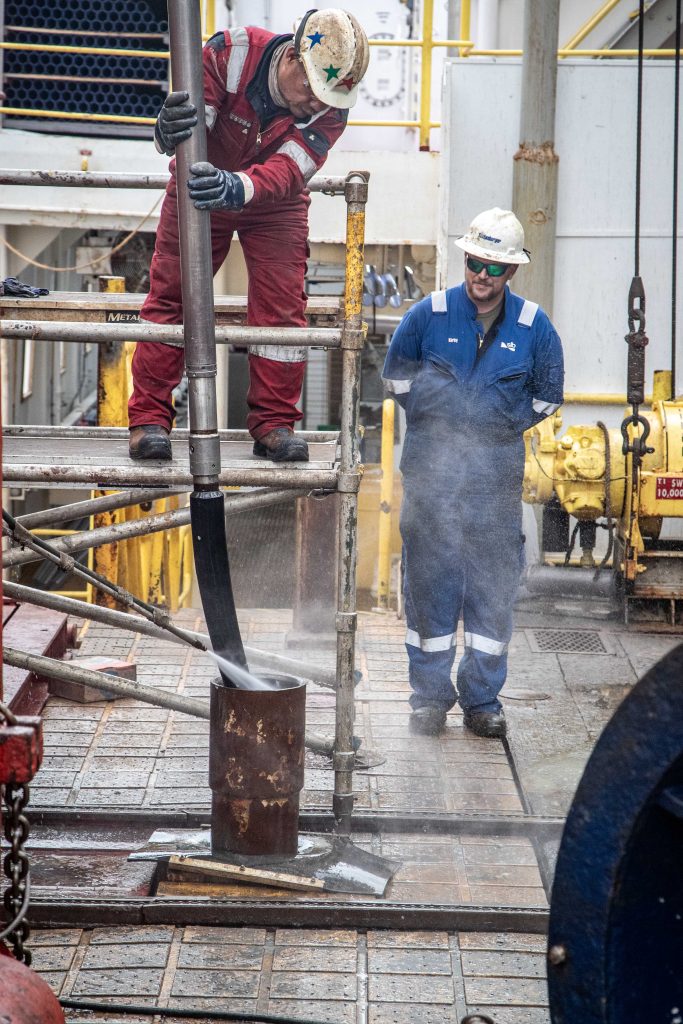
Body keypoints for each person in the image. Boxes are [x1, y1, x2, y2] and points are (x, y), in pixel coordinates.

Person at [128, 8, 369, 463]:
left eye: (329, 99)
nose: (319, 106)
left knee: (281, 313)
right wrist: (166, 132)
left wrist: (239, 188)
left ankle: (275, 425)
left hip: (274, 203)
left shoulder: (333, 106)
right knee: (171, 298)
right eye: (315, 93)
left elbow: (288, 170)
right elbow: (189, 127)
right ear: (295, 57)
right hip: (199, 186)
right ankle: (148, 422)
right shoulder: (229, 54)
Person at [382, 208, 564, 738]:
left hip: (493, 489)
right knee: (429, 591)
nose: (481, 276)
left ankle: (482, 700)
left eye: (494, 269)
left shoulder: (535, 329)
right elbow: (396, 381)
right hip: (430, 489)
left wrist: (492, 428)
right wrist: (439, 423)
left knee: (490, 594)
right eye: (475, 263)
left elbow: (547, 398)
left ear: (512, 273)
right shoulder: (429, 316)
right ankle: (430, 699)